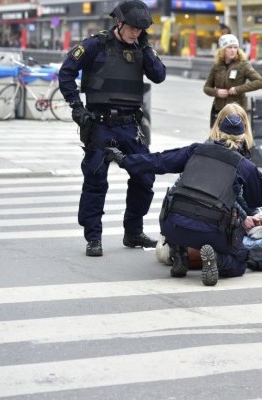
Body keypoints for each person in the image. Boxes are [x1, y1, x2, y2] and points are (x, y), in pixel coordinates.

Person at [105, 105, 262, 286]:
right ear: (243, 136)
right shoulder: (244, 165)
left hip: (173, 225)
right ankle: (216, 259)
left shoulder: (195, 150)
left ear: (219, 129)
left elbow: (159, 161)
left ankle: (179, 255)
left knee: (176, 200)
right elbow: (258, 199)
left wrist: (123, 159)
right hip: (212, 231)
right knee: (241, 259)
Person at [58, 0, 166, 257]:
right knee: (95, 181)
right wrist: (76, 106)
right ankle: (93, 238)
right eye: (132, 29)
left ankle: (133, 231)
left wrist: (147, 48)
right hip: (101, 125)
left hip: (131, 125)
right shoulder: (96, 44)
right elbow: (66, 72)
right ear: (119, 23)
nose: (135, 33)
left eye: (141, 29)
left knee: (144, 177)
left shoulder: (141, 46)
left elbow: (159, 75)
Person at [203, 33, 262, 128]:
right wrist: (216, 92)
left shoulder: (243, 65)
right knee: (217, 139)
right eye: (229, 47)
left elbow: (259, 82)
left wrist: (237, 89)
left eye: (235, 47)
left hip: (236, 110)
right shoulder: (217, 66)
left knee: (235, 139)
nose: (233, 50)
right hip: (219, 110)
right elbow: (206, 88)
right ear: (223, 50)